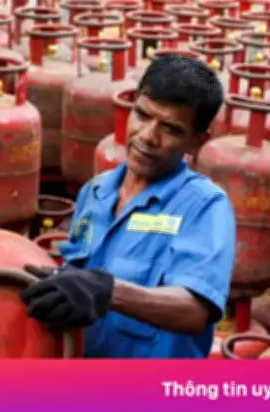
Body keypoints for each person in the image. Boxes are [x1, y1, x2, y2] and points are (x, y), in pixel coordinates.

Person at [20, 55, 236, 358]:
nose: (147, 137)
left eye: (170, 129)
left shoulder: (205, 207)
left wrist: (109, 291)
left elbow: (194, 310)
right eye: (142, 115)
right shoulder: (95, 192)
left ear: (196, 142)